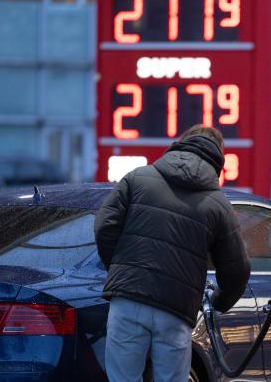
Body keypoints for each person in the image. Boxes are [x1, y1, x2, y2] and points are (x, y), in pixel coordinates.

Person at [94, 125, 251, 382]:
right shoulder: (219, 205)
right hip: (176, 309)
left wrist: (123, 270)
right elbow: (237, 271)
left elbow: (104, 226)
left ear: (179, 144)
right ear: (218, 161)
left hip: (128, 300)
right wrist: (220, 302)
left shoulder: (137, 178)